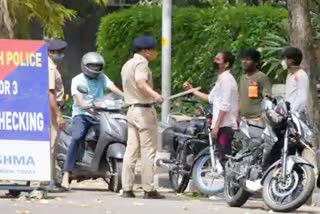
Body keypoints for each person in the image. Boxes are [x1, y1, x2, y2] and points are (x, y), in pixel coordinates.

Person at [61, 52, 123, 190]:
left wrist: (126, 97)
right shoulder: (78, 80)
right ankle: (66, 173)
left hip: (100, 115)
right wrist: (86, 107)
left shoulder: (102, 77)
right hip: (82, 114)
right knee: (77, 137)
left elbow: (113, 88)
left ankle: (102, 162)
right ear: (85, 66)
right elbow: (80, 100)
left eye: (97, 66)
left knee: (113, 134)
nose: (95, 69)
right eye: (92, 66)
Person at [121, 35, 165, 199]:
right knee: (148, 151)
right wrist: (156, 95)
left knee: (131, 150)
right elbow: (141, 82)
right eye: (153, 49)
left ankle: (127, 188)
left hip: (131, 110)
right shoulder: (141, 63)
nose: (155, 52)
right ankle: (148, 188)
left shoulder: (127, 65)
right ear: (146, 51)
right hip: (144, 111)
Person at [183, 51, 239, 162]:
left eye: (218, 59)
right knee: (220, 155)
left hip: (225, 125)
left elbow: (225, 105)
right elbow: (210, 98)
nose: (214, 61)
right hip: (221, 125)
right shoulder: (221, 79)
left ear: (226, 64)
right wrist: (192, 90)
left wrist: (217, 126)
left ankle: (227, 178)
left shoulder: (227, 80)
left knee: (224, 157)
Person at [47, 39, 67, 190]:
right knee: (51, 145)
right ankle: (49, 181)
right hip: (51, 109)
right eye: (58, 52)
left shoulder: (51, 66)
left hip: (53, 108)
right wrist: (58, 114)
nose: (61, 55)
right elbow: (51, 93)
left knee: (53, 145)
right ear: (51, 52)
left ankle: (53, 179)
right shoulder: (50, 68)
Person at [239, 48, 272, 120]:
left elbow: (267, 98)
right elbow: (240, 98)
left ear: (256, 62)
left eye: (248, 59)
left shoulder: (262, 77)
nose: (244, 62)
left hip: (258, 118)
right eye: (243, 59)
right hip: (244, 119)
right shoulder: (242, 78)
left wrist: (265, 114)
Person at [281, 47, 309, 113]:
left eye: (285, 58)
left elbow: (302, 97)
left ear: (291, 60)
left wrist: (293, 111)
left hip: (296, 113)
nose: (283, 61)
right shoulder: (290, 75)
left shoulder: (301, 75)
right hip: (289, 112)